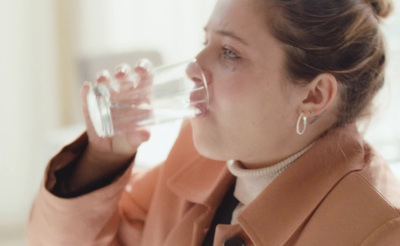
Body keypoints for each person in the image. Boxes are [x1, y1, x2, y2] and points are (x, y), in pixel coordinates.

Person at [26, 0, 400, 245]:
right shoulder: (199, 155)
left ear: (314, 96)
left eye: (229, 52)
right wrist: (101, 159)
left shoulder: (377, 231)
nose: (193, 67)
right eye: (205, 41)